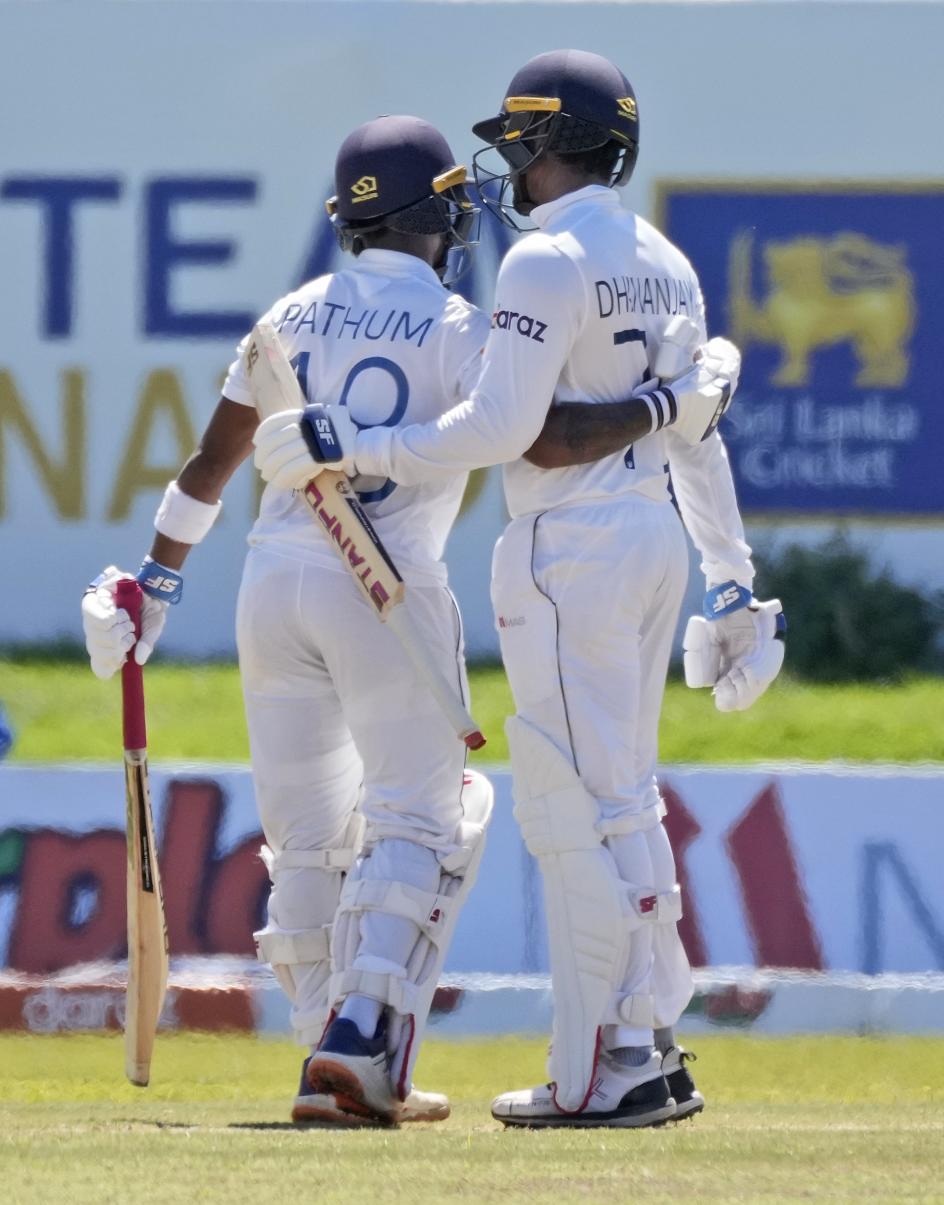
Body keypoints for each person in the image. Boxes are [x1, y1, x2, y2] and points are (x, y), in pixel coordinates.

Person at [254, 49, 785, 1129]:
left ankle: (602, 1070)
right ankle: (648, 1040)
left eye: (518, 142)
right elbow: (696, 434)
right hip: (652, 541)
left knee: (568, 805)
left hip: (568, 550)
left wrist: (358, 446)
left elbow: (508, 437)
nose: (510, 164)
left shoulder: (545, 260)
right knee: (625, 798)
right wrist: (733, 581)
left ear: (550, 141)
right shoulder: (669, 263)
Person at [81, 115, 495, 1128]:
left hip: (272, 589)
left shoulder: (288, 316)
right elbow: (518, 435)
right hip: (388, 587)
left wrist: (153, 592)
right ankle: (359, 1040)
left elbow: (205, 471)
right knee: (421, 818)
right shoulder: (458, 328)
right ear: (435, 210)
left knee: (307, 845)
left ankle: (329, 1054)